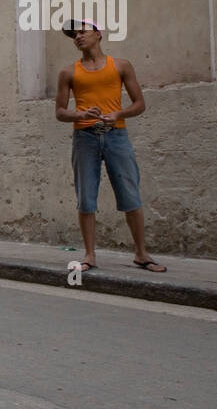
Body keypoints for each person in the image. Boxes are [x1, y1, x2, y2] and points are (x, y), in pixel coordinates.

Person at [56, 19, 165, 273]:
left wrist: (118, 114)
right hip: (85, 138)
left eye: (83, 31)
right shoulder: (68, 72)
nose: (78, 37)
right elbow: (60, 112)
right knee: (86, 197)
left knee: (130, 193)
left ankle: (141, 254)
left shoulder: (121, 66)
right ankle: (89, 256)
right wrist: (80, 115)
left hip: (117, 136)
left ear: (98, 34)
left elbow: (140, 104)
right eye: (74, 35)